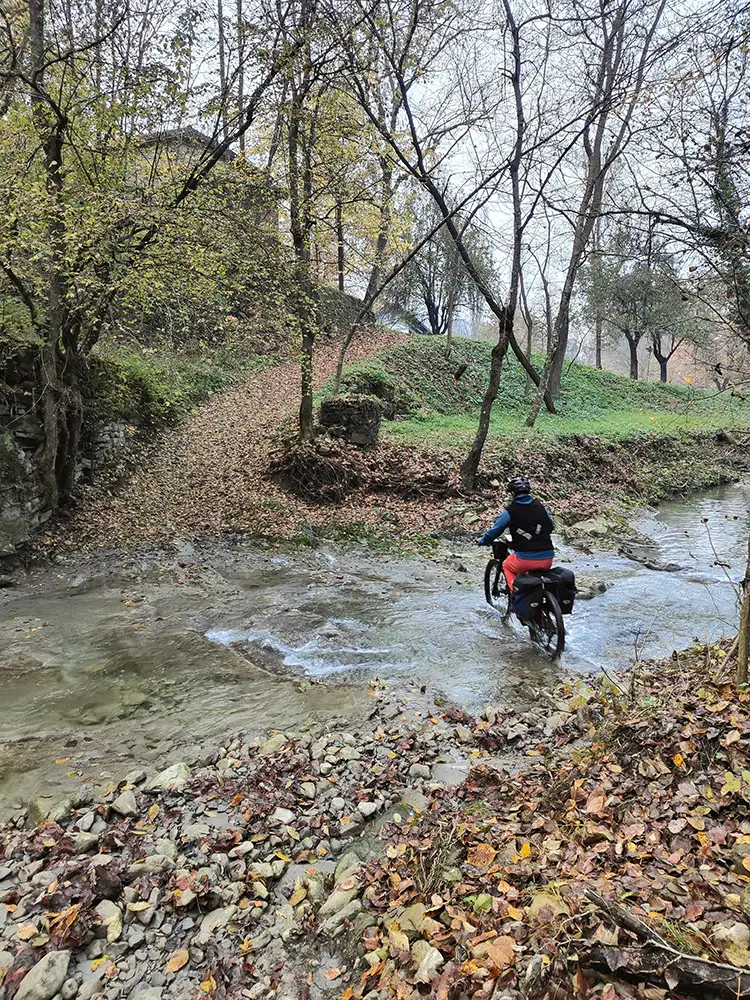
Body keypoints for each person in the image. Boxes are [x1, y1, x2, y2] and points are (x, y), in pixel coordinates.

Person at [476, 476, 555, 591]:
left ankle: (517, 595)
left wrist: (483, 541)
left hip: (525, 560)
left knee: (506, 566)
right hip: (548, 558)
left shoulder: (510, 511)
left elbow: (494, 531)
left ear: (512, 493)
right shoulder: (540, 507)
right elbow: (550, 526)